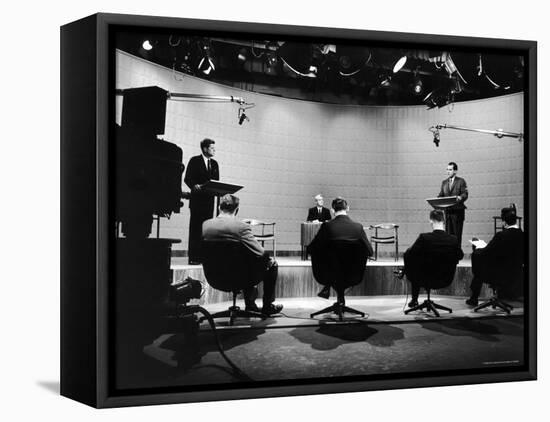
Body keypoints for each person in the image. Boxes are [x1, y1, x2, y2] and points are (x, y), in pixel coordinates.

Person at [202, 194, 283, 315]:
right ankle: (266, 306)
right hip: (238, 278)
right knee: (271, 264)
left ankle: (251, 305)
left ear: (219, 207)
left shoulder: (206, 225)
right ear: (237, 210)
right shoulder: (241, 227)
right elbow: (261, 253)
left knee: (245, 260)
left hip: (214, 278)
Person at [308, 197, 373, 299]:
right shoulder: (358, 228)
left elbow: (311, 249)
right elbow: (370, 252)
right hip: (353, 275)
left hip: (328, 275)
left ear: (332, 210)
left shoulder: (327, 227)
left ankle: (328, 288)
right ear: (348, 208)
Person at [403, 209, 464, 307]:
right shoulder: (453, 239)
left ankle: (414, 299)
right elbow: (460, 256)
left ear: (431, 221)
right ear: (444, 221)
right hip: (445, 279)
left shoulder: (424, 238)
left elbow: (409, 254)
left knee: (414, 263)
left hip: (424, 278)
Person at [466, 206, 524, 306]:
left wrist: (476, 250)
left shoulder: (501, 235)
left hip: (499, 273)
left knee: (478, 265)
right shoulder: (523, 235)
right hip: (516, 272)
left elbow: (487, 252)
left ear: (504, 222)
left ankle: (474, 298)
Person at [184, 138, 220, 264]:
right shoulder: (194, 161)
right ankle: (194, 257)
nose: (214, 150)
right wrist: (194, 186)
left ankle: (204, 257)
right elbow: (187, 178)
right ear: (204, 148)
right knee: (195, 229)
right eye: (212, 148)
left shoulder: (215, 164)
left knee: (206, 230)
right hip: (197, 201)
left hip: (209, 202)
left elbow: (216, 182)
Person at [437, 161, 468, 247]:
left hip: (458, 212)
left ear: (455, 171)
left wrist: (460, 197)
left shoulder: (461, 181)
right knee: (448, 235)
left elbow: (465, 194)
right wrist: (437, 200)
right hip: (447, 212)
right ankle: (449, 256)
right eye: (447, 169)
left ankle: (456, 256)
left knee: (457, 235)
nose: (448, 171)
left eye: (450, 170)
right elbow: (441, 195)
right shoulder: (444, 182)